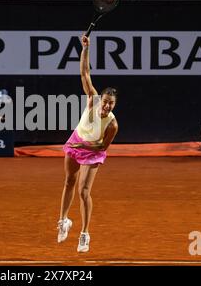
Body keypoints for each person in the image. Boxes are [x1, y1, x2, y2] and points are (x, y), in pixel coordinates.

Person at [57, 34, 119, 253]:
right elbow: (85, 72)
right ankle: (63, 220)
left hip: (91, 152)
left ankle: (84, 234)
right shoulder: (92, 99)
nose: (107, 106)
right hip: (76, 142)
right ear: (100, 99)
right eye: (106, 102)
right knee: (68, 182)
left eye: (111, 104)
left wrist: (81, 148)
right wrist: (85, 49)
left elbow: (101, 147)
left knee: (84, 191)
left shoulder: (112, 125)